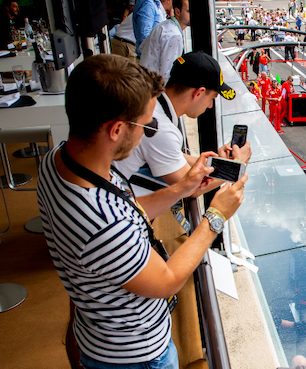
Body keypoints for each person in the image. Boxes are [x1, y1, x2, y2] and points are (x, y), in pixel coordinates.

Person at [38, 54, 247, 369]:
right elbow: (166, 281)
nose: (150, 130)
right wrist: (215, 216)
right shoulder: (104, 223)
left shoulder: (57, 161)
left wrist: (179, 189)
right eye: (146, 124)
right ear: (117, 129)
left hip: (96, 330)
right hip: (135, 354)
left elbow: (127, 206)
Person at [114, 51, 248, 193]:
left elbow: (172, 155)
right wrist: (236, 167)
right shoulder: (161, 128)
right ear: (199, 93)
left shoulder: (153, 102)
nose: (210, 106)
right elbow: (192, 189)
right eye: (212, 98)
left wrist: (220, 165)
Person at [139, 0, 190, 81]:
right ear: (177, 11)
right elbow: (167, 73)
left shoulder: (163, 26)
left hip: (144, 80)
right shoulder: (174, 36)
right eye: (188, 11)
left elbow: (142, 47)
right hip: (154, 87)